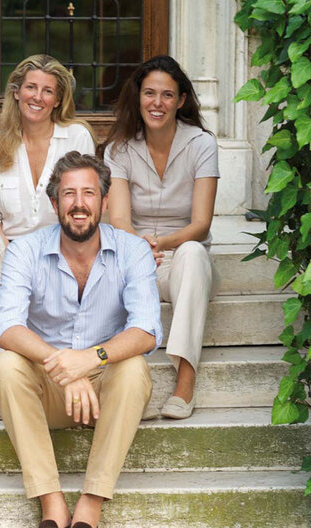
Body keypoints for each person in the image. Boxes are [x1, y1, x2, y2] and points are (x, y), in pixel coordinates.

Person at [0, 151, 162, 528]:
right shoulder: (25, 249)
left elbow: (146, 330)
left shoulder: (133, 251)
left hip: (106, 392)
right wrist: (65, 365)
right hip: (51, 386)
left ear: (105, 201)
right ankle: (53, 508)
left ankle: (89, 508)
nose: (79, 203)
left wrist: (91, 359)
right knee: (9, 365)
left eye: (88, 193)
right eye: (69, 194)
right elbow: (4, 327)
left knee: (133, 367)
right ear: (54, 203)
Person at [0, 54, 96, 420]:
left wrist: (37, 251)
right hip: (6, 246)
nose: (37, 97)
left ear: (58, 100)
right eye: (31, 87)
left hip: (60, 247)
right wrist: (12, 252)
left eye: (48, 91)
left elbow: (82, 204)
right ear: (16, 92)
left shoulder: (76, 137)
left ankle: (15, 381)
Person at [103, 55, 220, 420]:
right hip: (136, 256)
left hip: (183, 260)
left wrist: (160, 244)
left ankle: (185, 382)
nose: (157, 103)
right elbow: (118, 220)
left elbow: (201, 224)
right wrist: (140, 249)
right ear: (138, 97)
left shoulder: (201, 144)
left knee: (193, 253)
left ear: (181, 100)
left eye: (167, 95)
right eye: (149, 93)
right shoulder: (119, 149)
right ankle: (117, 383)